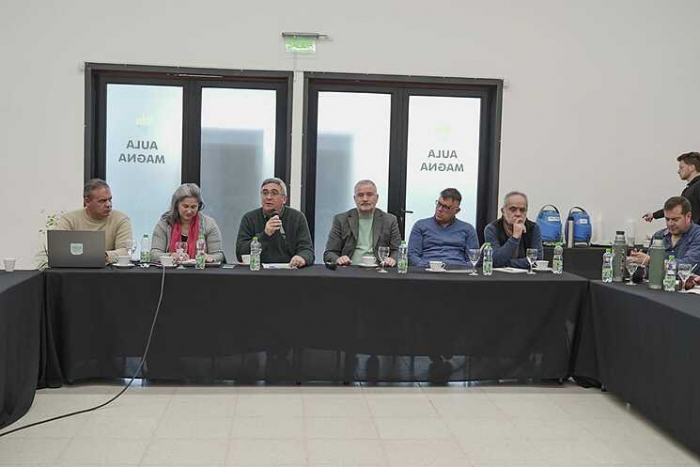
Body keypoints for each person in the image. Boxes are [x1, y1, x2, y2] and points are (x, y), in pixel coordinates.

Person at [236, 177, 314, 267]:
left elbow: (307, 250)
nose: (268, 197)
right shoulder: (249, 218)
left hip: (289, 272)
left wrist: (301, 257)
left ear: (284, 199)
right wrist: (265, 235)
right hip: (258, 272)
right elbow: (240, 252)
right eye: (265, 193)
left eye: (274, 193)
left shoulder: (297, 217)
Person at [323, 180, 401, 267]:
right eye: (360, 195)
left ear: (377, 198)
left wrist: (392, 259)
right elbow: (329, 253)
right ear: (354, 198)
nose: (365, 199)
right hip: (350, 270)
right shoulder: (341, 220)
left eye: (369, 194)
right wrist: (338, 259)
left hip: (379, 270)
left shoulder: (390, 220)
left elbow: (397, 250)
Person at [57, 178, 132, 264]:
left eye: (110, 199)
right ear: (87, 201)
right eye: (102, 201)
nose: (109, 204)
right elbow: (59, 250)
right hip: (75, 271)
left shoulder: (120, 219)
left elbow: (126, 251)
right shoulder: (69, 219)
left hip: (109, 273)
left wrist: (104, 256)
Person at [150, 183, 225, 263]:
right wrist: (171, 256)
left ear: (199, 206)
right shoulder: (164, 223)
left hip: (200, 273)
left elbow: (219, 255)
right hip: (170, 273)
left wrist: (209, 257)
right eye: (185, 206)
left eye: (193, 207)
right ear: (176, 205)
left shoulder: (209, 224)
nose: (189, 211)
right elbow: (154, 254)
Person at [407, 188, 479, 268]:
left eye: (446, 207)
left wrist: (461, 270)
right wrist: (426, 267)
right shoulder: (420, 225)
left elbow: (474, 258)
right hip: (428, 271)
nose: (439, 209)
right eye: (439, 204)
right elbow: (412, 256)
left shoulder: (467, 229)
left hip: (457, 272)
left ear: (457, 210)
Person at [630, 196, 700, 267]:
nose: (670, 224)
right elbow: (648, 270)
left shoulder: (697, 235)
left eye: (675, 219)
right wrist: (639, 261)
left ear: (688, 216)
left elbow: (688, 265)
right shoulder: (659, 236)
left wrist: (652, 261)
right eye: (667, 219)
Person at [483, 191, 543, 268]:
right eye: (513, 209)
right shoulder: (492, 229)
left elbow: (537, 261)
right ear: (503, 211)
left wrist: (507, 263)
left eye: (522, 210)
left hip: (527, 276)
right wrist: (515, 237)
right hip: (499, 277)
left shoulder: (533, 228)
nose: (518, 214)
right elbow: (495, 261)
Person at [643, 152, 700, 224]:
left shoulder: (698, 186)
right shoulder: (689, 189)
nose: (678, 171)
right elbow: (676, 208)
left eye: (681, 167)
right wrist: (654, 215)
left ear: (692, 167)